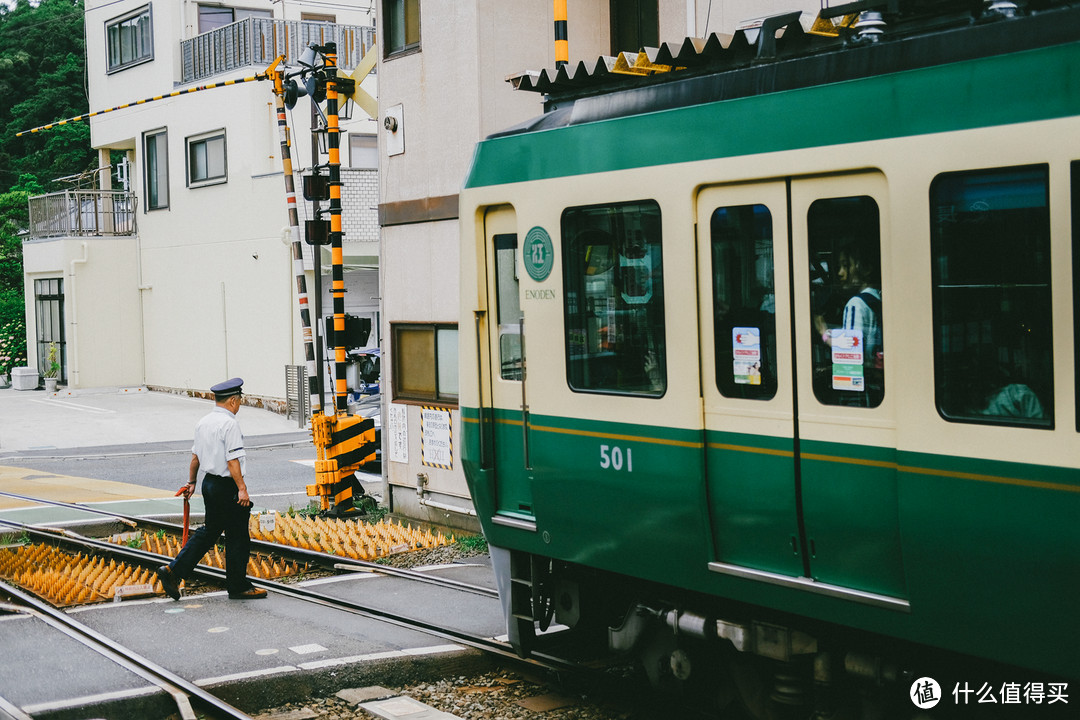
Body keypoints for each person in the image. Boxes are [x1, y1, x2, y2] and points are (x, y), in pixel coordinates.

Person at [156, 378, 266, 600]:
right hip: (227, 486)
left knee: (209, 532)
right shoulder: (230, 424)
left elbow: (195, 457)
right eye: (240, 400)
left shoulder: (203, 422)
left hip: (209, 484)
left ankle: (172, 571)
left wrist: (192, 482)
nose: (240, 404)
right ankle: (238, 586)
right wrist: (242, 489)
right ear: (233, 401)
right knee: (237, 536)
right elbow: (233, 461)